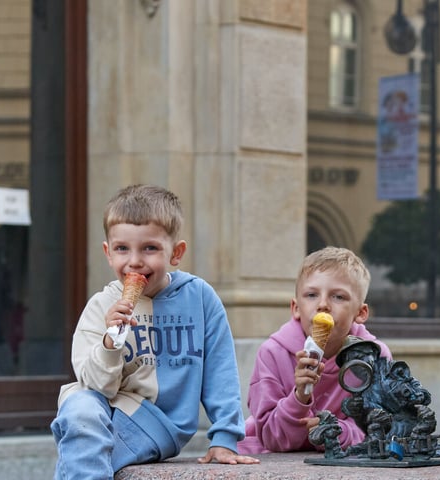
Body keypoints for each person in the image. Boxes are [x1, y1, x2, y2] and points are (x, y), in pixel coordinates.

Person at [50, 184, 258, 479]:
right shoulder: (100, 306)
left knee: (80, 456)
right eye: (122, 248)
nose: (135, 260)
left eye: (150, 248)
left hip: (156, 421)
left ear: (176, 252)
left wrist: (225, 437)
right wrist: (110, 343)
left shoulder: (199, 298)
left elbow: (220, 369)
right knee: (78, 407)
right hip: (102, 405)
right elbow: (96, 386)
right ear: (108, 253)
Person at [237, 246, 392, 454]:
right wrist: (299, 397)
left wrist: (338, 432)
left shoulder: (375, 357)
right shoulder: (272, 353)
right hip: (271, 455)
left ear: (361, 312)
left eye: (338, 297)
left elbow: (382, 427)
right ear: (296, 308)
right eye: (311, 295)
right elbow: (271, 437)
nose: (323, 305)